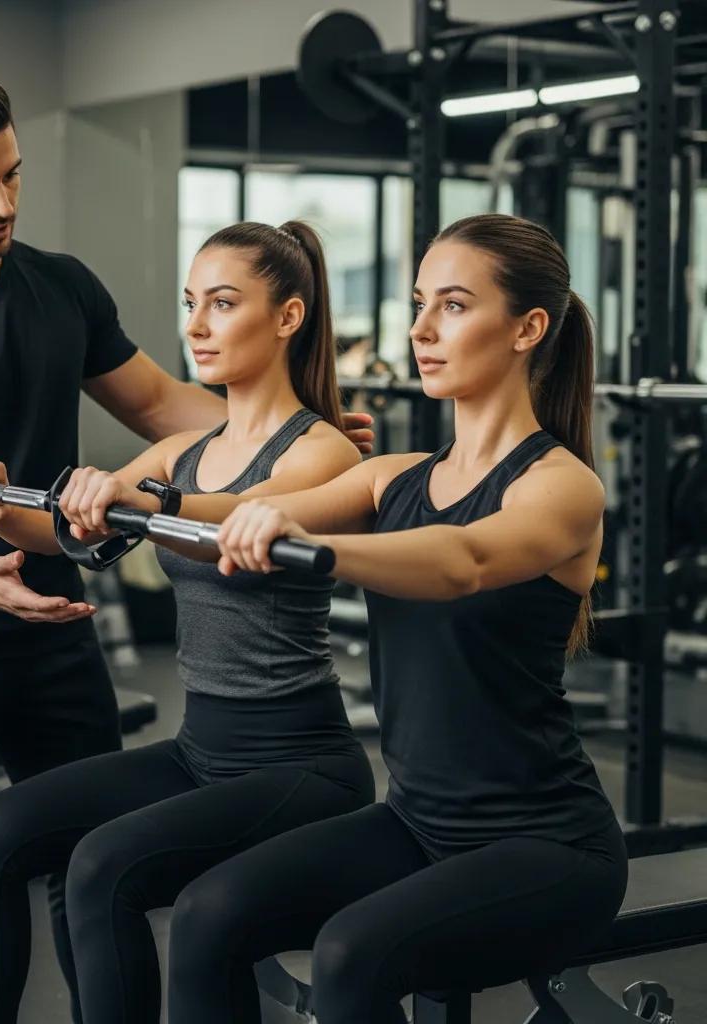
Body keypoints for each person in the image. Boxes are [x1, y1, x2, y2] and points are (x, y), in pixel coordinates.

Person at [0, 68, 374, 1024]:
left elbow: (165, 407)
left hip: (56, 626)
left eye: (12, 177)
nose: (3, 203)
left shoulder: (59, 287)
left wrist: (291, 440)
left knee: (93, 867)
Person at [160, 213, 629, 1024]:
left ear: (528, 328)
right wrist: (101, 505)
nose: (419, 329)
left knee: (351, 952)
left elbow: (462, 562)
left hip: (548, 845)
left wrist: (313, 541)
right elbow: (227, 510)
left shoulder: (562, 486)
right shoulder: (390, 477)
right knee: (207, 914)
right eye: (419, 303)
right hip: (416, 821)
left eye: (452, 305)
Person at [0, 220, 375, 1024]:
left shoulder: (323, 454)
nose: (196, 326)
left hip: (299, 762)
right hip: (199, 749)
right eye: (191, 304)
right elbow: (62, 535)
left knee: (103, 865)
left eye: (222, 303)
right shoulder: (180, 449)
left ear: (288, 316)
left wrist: (134, 500)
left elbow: (246, 515)